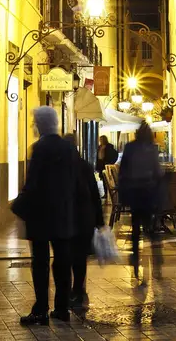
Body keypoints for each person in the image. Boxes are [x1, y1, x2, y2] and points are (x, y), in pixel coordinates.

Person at [12, 107, 76, 326]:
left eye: (35, 121)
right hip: (63, 213)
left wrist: (18, 206)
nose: (33, 125)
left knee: (40, 262)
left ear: (40, 123)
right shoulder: (67, 148)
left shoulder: (40, 148)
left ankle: (40, 309)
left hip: (41, 215)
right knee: (62, 262)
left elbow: (34, 183)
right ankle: (61, 307)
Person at [118, 121, 163, 283]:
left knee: (136, 230)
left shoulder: (130, 148)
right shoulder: (152, 148)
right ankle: (157, 263)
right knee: (152, 230)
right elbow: (158, 172)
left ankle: (136, 262)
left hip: (135, 193)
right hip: (149, 194)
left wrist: (123, 194)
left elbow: (123, 172)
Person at [64, 134, 104, 310]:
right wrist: (100, 221)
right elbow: (95, 194)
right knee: (80, 258)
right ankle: (78, 290)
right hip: (84, 218)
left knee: (65, 256)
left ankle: (68, 292)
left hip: (66, 218)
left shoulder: (60, 167)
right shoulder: (85, 166)